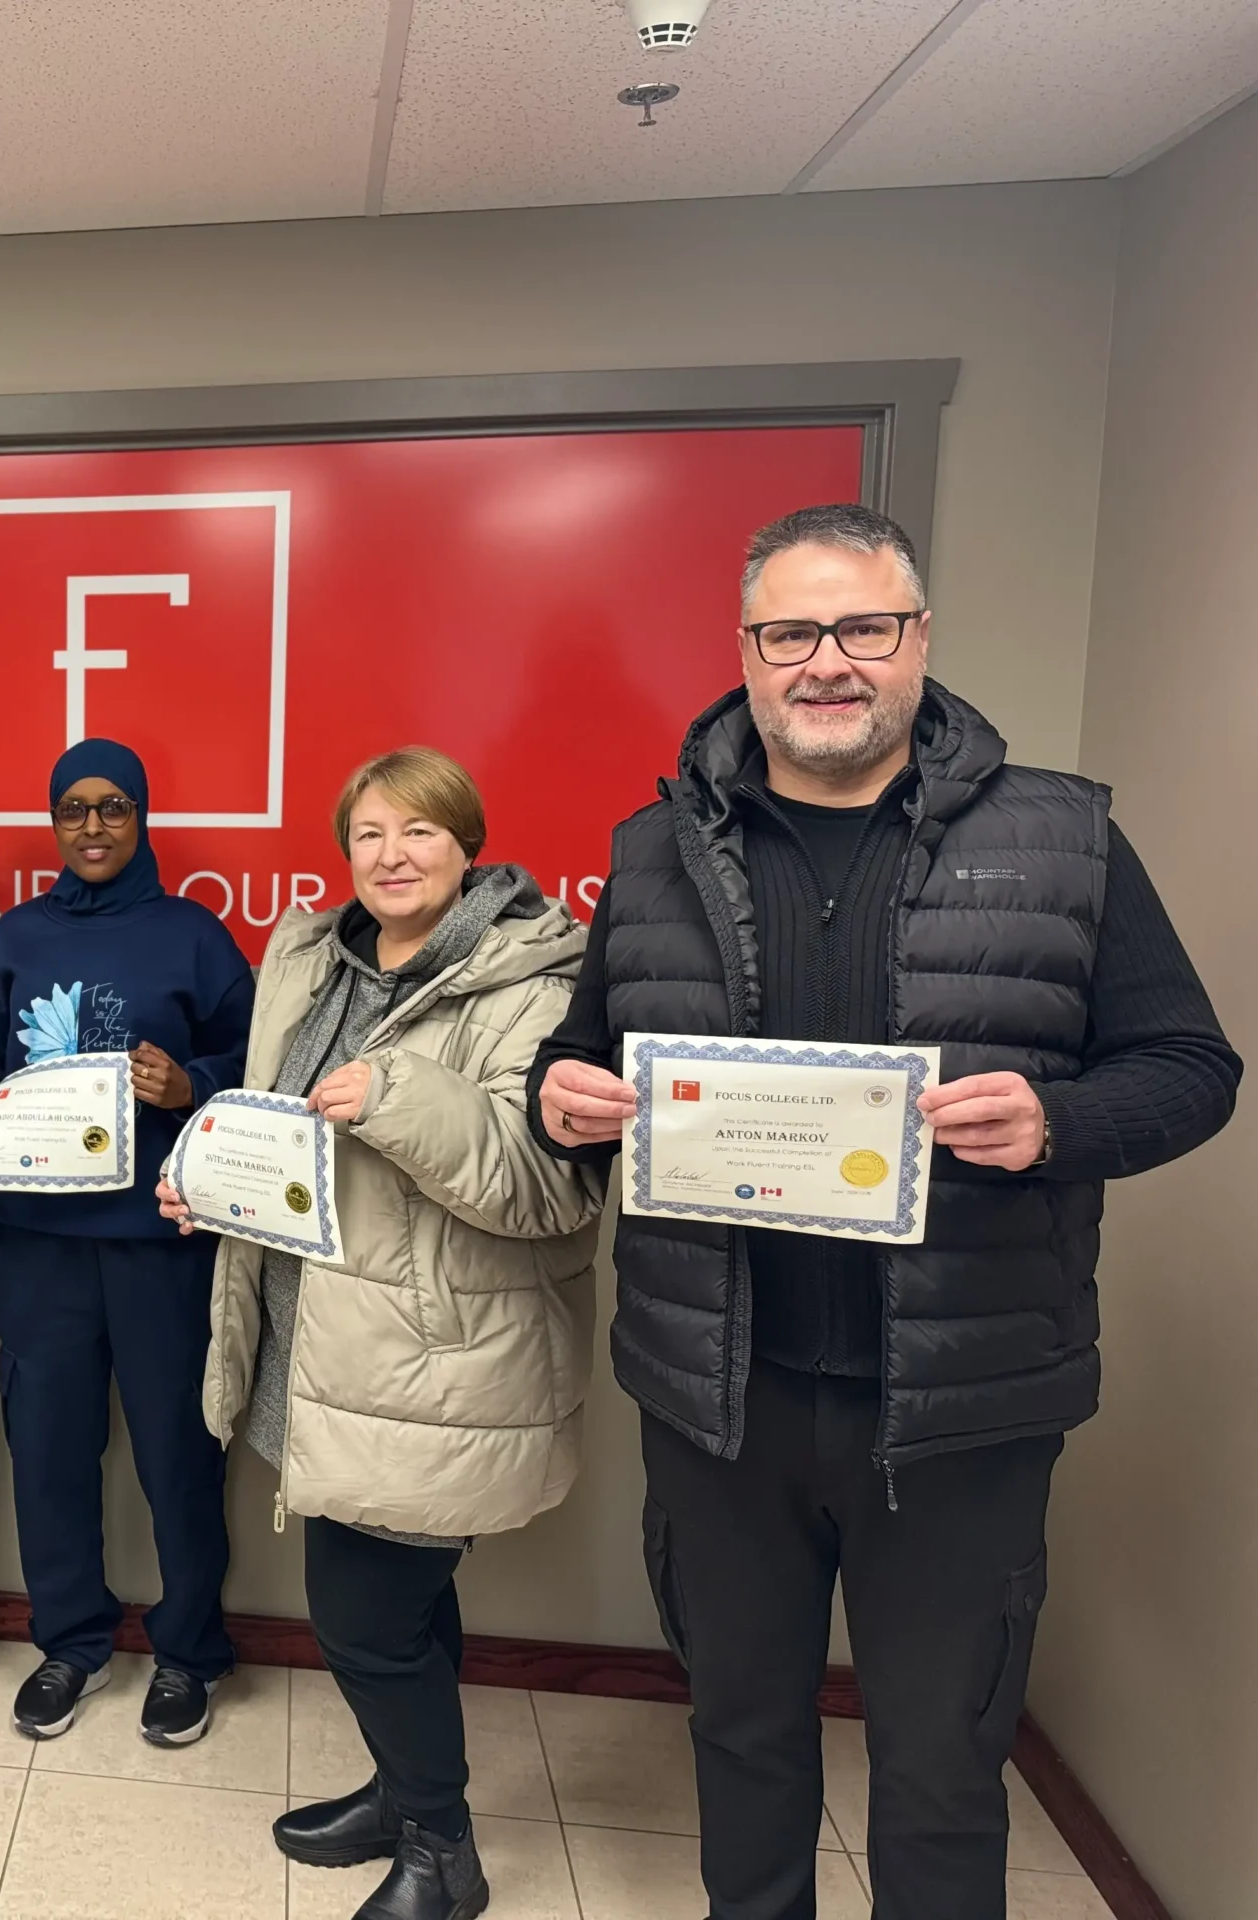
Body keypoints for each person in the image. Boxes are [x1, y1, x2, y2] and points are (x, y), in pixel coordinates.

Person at [528, 504, 1240, 1920]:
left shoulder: (1066, 838)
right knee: (740, 1739)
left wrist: (1057, 1124)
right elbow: (581, 1056)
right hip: (721, 1403)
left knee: (941, 1769)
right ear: (746, 651)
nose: (826, 662)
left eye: (863, 626)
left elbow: (1191, 1068)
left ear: (918, 640)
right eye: (790, 632)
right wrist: (558, 1101)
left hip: (960, 1414)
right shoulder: (654, 848)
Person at [168, 748, 601, 1920]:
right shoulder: (315, 960)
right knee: (404, 1608)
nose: (391, 856)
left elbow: (549, 1192)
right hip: (314, 1344)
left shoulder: (535, 981)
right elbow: (288, 1137)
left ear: (468, 844)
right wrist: (215, 1182)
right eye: (368, 834)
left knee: (364, 1622)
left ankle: (442, 1852)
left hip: (427, 1362)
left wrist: (401, 1097)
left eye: (419, 831)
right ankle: (402, 1794)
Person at [0, 737, 255, 1746]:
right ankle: (71, 1643)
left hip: (159, 1240)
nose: (91, 826)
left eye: (112, 806)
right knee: (46, 1451)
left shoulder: (193, 936)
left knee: (177, 1453)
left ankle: (189, 1652)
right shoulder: (18, 936)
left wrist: (191, 1084)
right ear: (52, 821)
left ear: (141, 817)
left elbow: (255, 1063)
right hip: (36, 1240)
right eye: (72, 808)